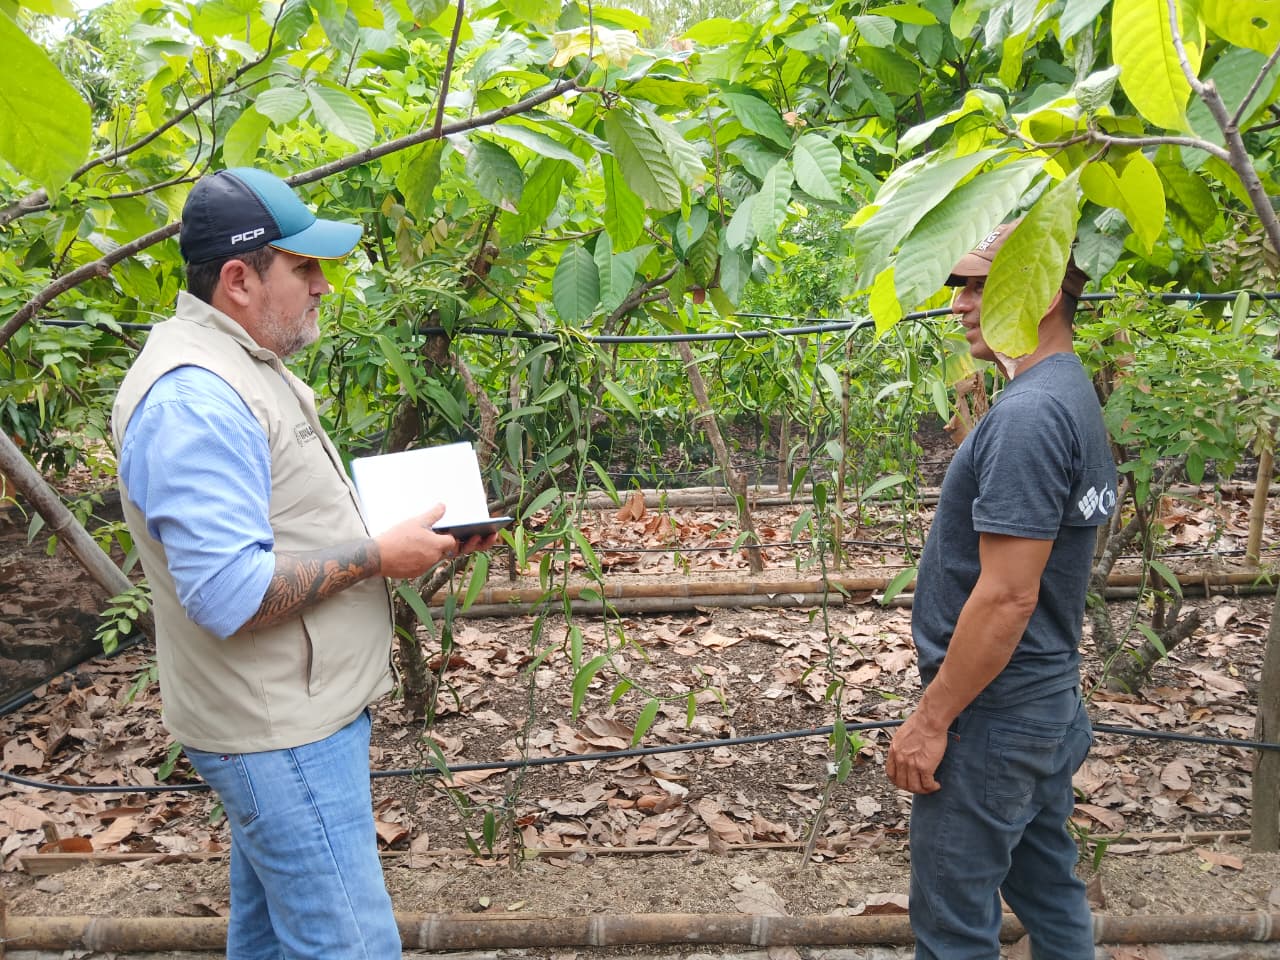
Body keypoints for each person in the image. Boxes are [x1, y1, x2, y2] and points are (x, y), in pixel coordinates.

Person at [111, 167, 496, 959]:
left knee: (270, 939)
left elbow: (273, 520)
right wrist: (376, 555)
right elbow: (229, 594)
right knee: (347, 944)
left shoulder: (235, 362)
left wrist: (393, 530)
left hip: (290, 711)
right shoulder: (195, 401)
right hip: (277, 730)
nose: (323, 285)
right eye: (304, 266)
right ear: (239, 279)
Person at [885, 219, 1117, 959]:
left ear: (1040, 291)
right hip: (1043, 704)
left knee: (953, 928)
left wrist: (932, 720)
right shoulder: (1067, 391)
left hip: (996, 718)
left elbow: (1008, 596)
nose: (958, 304)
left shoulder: (1030, 416)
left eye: (979, 286)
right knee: (1049, 892)